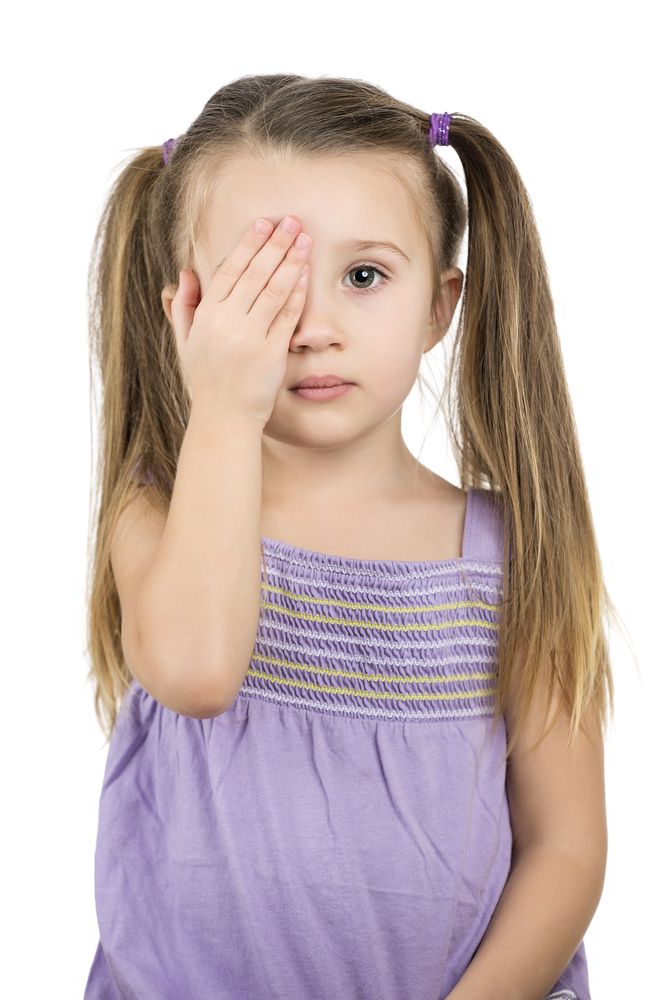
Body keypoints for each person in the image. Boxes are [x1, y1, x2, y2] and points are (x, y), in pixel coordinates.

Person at [83, 74, 616, 1000]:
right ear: (187, 309)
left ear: (439, 305)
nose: (313, 329)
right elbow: (198, 674)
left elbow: (565, 847)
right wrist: (223, 409)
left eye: (363, 276)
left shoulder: (508, 552)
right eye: (261, 286)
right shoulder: (158, 516)